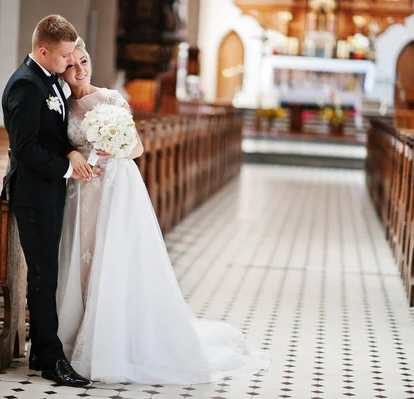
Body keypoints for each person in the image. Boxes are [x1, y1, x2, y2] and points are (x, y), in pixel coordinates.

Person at [55, 37, 270, 384]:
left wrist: (113, 145)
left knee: (112, 259)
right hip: (81, 191)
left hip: (114, 188)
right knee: (82, 261)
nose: (80, 70)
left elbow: (137, 147)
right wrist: (72, 154)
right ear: (62, 69)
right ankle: (74, 335)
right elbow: (61, 144)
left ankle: (109, 341)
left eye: (84, 61)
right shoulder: (62, 104)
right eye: (72, 65)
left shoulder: (111, 99)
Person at [1, 15, 93, 387]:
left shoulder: (47, 78)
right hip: (34, 193)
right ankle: (53, 360)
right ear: (43, 50)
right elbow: (25, 148)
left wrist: (71, 151)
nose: (70, 61)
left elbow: (50, 133)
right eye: (65, 55)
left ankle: (41, 351)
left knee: (46, 274)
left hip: (48, 190)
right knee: (43, 276)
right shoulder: (25, 84)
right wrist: (67, 168)